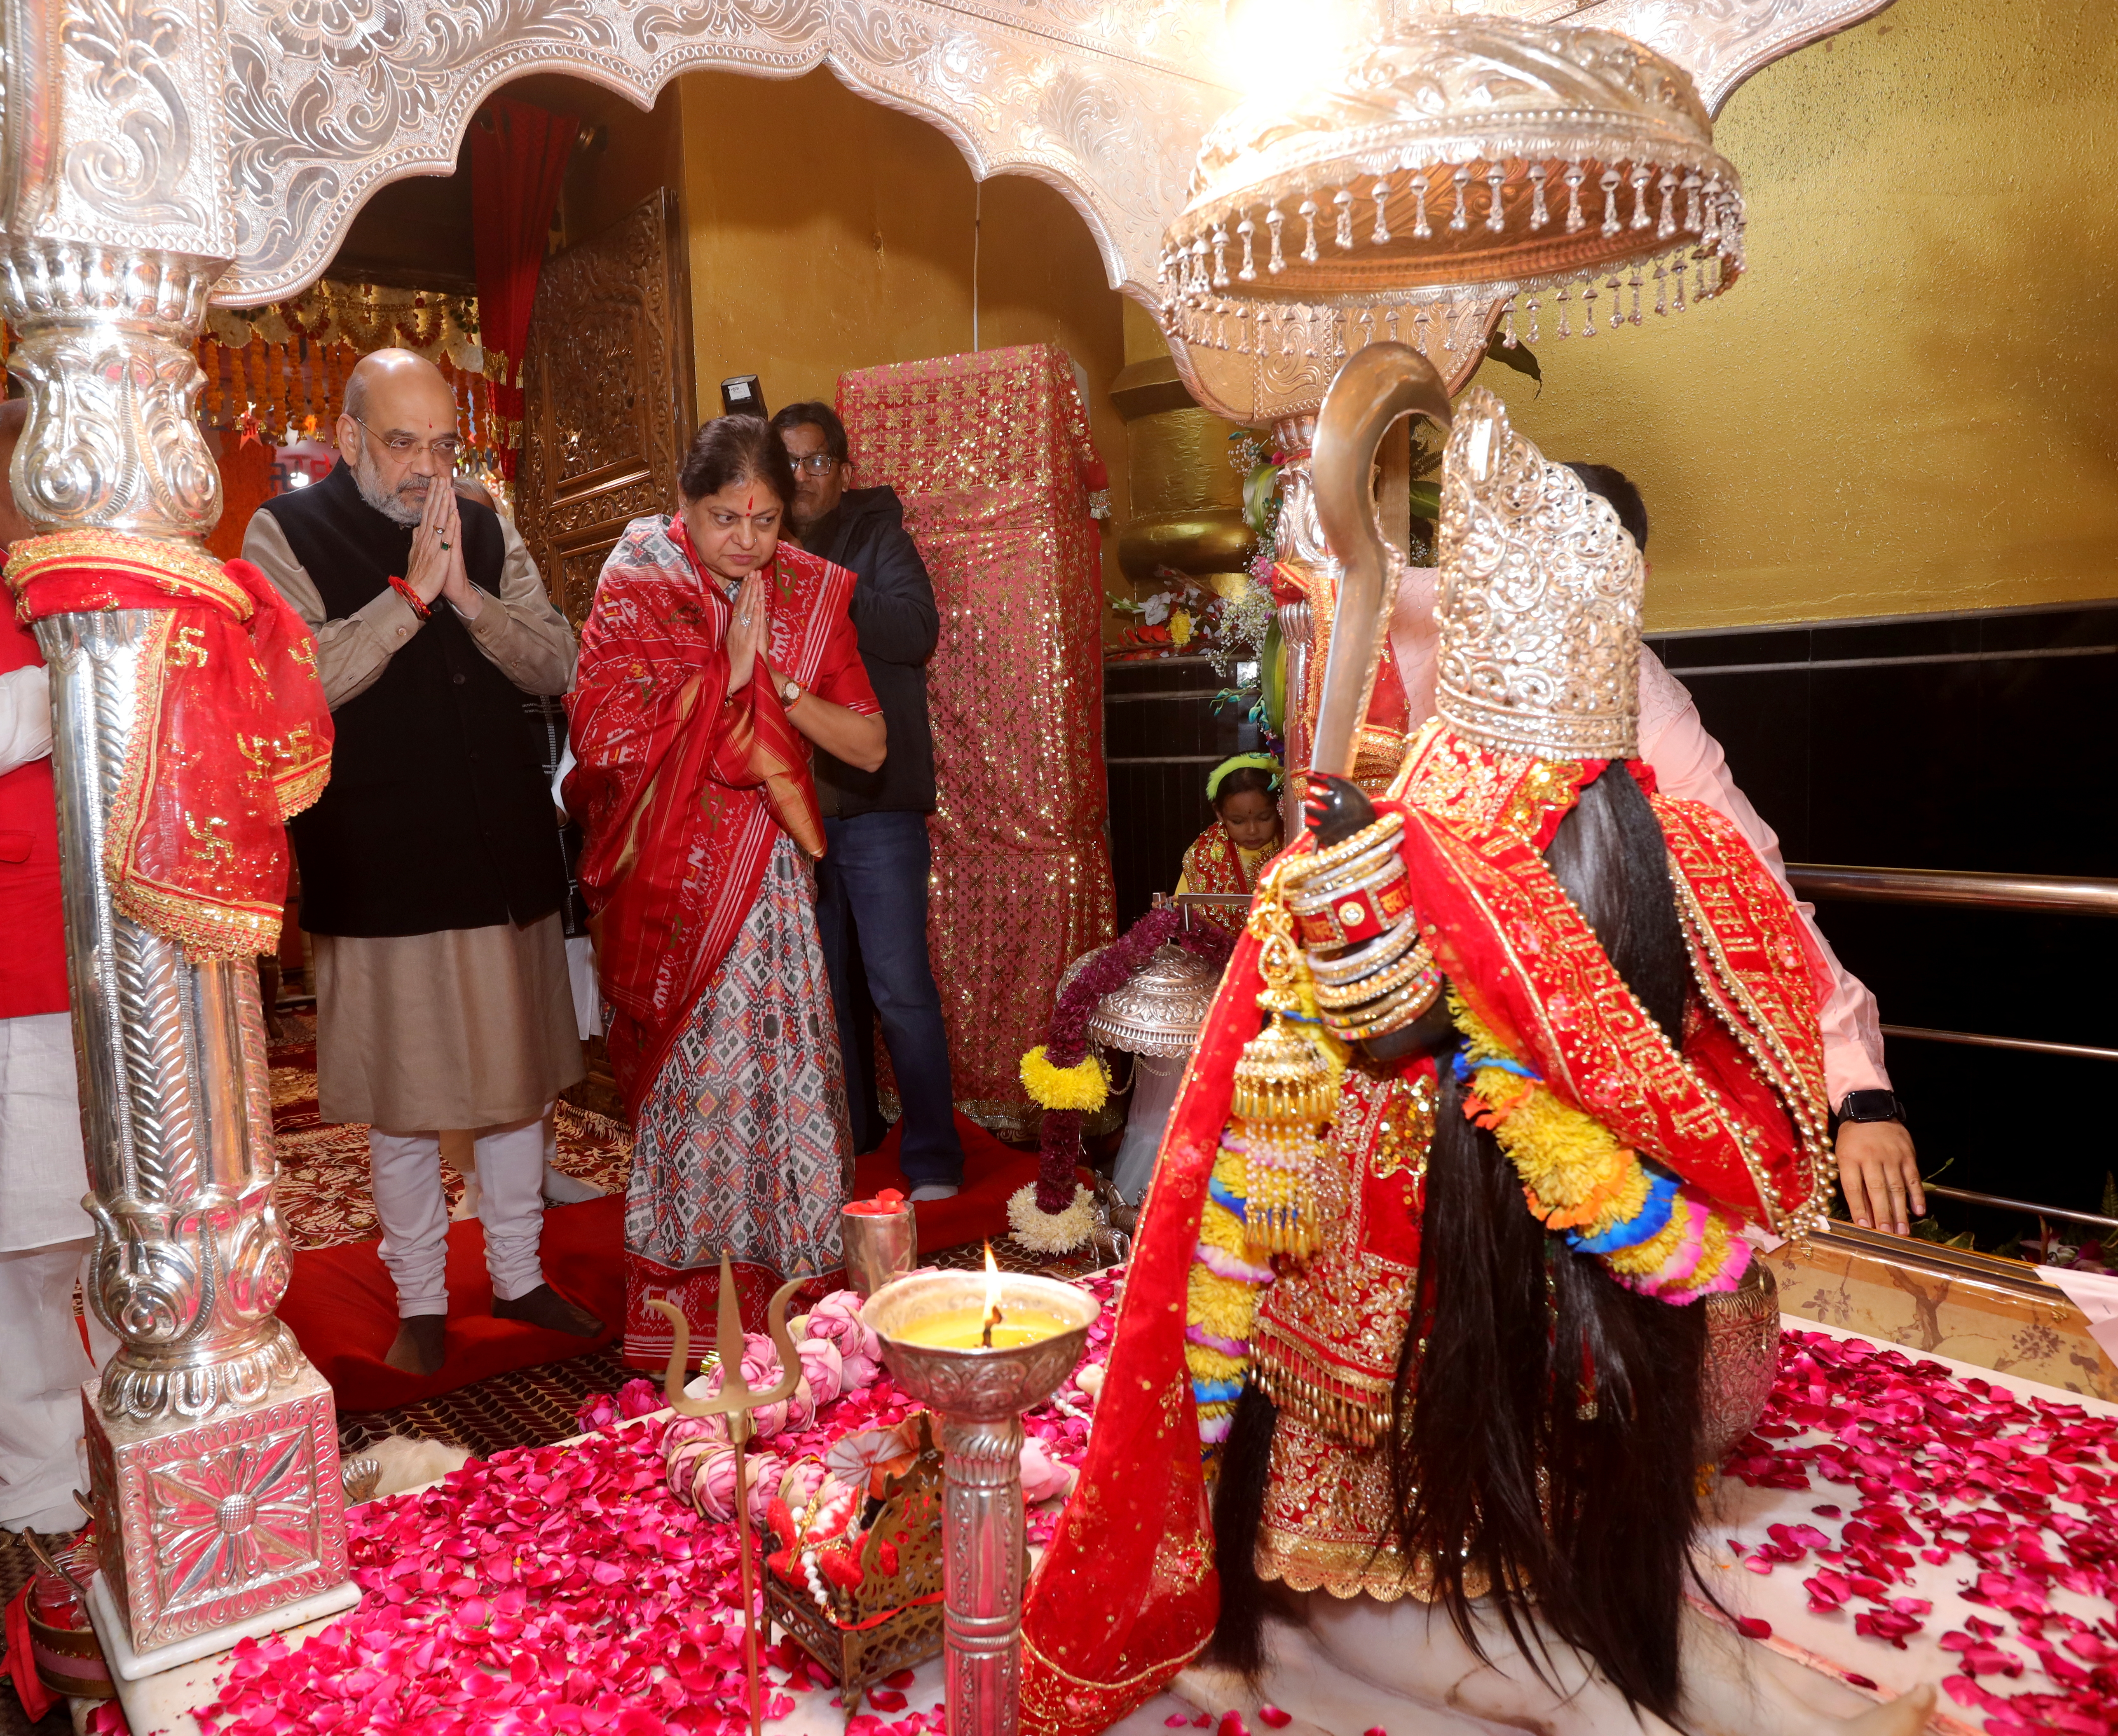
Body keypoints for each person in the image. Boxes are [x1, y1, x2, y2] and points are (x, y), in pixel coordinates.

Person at [1022, 387, 1933, 1736]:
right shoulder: (1421, 788)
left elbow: (1752, 926)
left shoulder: (1644, 808)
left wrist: (1861, 1081)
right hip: (1437, 1313)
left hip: (1522, 1316)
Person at [1387, 463, 1922, 1237]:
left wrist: (1860, 1092)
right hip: (1411, 999)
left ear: (1629, 584)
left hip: (1573, 1034)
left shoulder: (1639, 694)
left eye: (1591, 581)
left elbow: (1758, 889)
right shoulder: (1413, 614)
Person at [245, 349, 596, 1378]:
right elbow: (296, 681)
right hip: (382, 858)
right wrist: (409, 600)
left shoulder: (483, 520)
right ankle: (422, 1298)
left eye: (443, 443)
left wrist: (472, 599)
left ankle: (523, 1274)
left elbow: (557, 659)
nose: (424, 467)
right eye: (403, 443)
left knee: (517, 1084)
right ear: (349, 438)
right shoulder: (287, 532)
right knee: (407, 1100)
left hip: (500, 852)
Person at [566, 416, 885, 1366]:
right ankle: (689, 1310)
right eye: (723, 519)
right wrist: (722, 679)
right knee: (699, 1084)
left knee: (780, 1081)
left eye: (766, 520)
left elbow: (869, 744)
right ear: (683, 502)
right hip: (671, 889)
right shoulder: (638, 580)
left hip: (771, 886)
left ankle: (794, 1291)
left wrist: (772, 685)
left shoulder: (808, 593)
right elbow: (603, 737)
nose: (746, 542)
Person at [768, 401, 963, 1201]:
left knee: (896, 984)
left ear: (843, 469)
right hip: (794, 808)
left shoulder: (877, 536)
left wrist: (825, 585)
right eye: (790, 463)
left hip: (877, 801)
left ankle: (936, 1160)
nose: (803, 476)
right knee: (820, 992)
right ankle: (849, 1139)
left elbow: (917, 630)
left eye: (817, 461)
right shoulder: (758, 548)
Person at [0, 398, 115, 1536]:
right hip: (11, 960)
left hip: (105, 945)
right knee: (26, 1241)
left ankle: (132, 1431)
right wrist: (81, 678)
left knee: (126, 1214)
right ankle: (38, 1481)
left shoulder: (55, 575)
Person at [1174, 753, 1284, 935]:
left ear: (1280, 806)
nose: (1252, 831)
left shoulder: (1294, 847)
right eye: (1238, 822)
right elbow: (1182, 915)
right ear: (1219, 813)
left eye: (1264, 818)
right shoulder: (1203, 857)